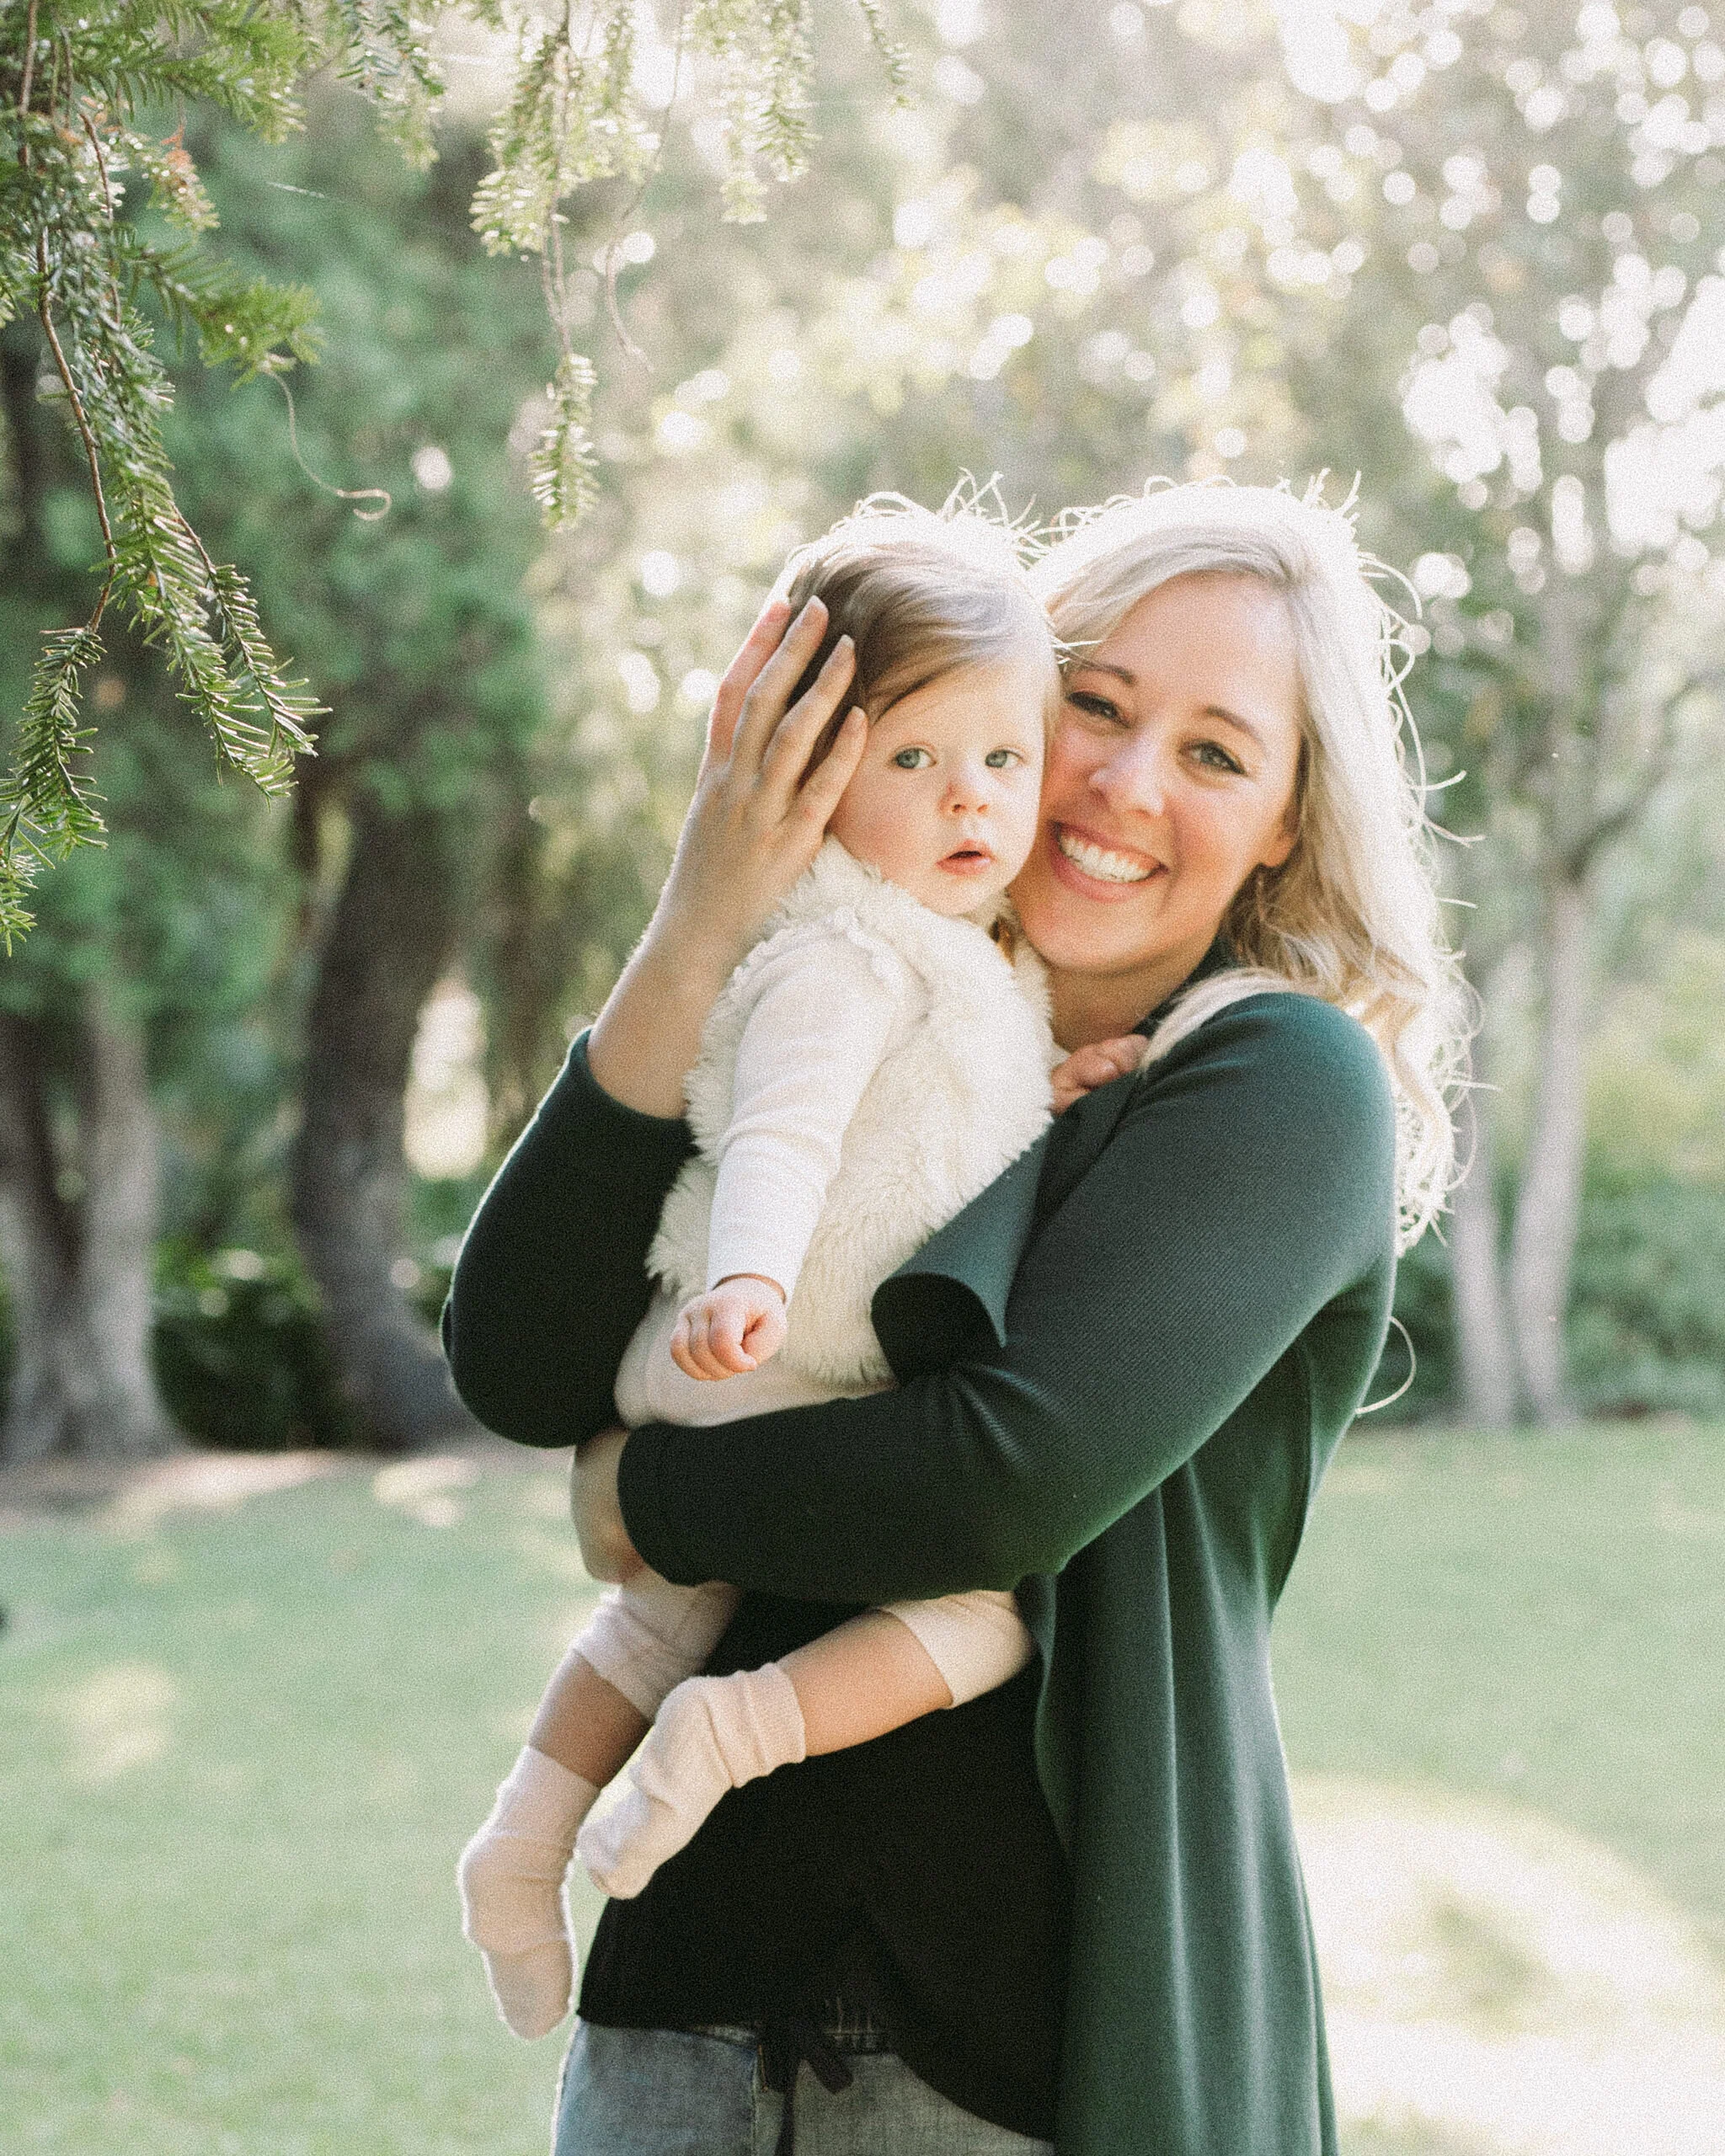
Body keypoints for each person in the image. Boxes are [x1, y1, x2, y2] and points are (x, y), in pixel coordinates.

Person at [442, 478, 1466, 2156]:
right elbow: (517, 1356)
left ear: (1285, 817)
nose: (1125, 787)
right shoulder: (845, 1002)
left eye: (1214, 753)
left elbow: (991, 1480)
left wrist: (638, 1495)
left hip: (1020, 2045)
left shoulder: (1281, 1079)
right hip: (682, 1992)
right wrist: (705, 916)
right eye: (1095, 708)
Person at [456, 499, 1065, 2042]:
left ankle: (521, 1850)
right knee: (985, 1619)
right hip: (767, 1347)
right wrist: (750, 1281)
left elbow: (969, 1118)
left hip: (757, 1373)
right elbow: (785, 1134)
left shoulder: (971, 960)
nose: (971, 800)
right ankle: (730, 1736)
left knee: (650, 1622)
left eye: (1004, 760)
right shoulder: (844, 955)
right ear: (805, 777)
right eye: (914, 761)